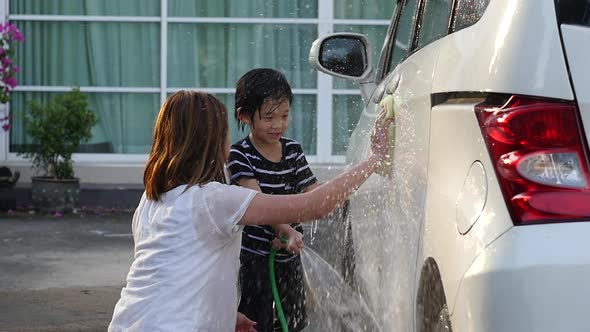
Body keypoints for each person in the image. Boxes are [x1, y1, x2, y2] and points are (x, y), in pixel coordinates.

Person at [108, 90, 392, 332]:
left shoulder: (151, 201)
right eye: (225, 134)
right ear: (211, 142)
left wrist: (226, 315)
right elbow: (314, 206)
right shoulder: (214, 201)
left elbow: (168, 272)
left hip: (128, 321)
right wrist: (374, 160)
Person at [228, 68, 319, 332]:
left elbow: (313, 191)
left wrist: (340, 194)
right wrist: (284, 228)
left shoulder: (292, 151)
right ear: (244, 115)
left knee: (294, 320)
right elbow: (257, 202)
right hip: (256, 258)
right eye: (269, 117)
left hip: (289, 254)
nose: (278, 124)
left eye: (284, 115)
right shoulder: (239, 155)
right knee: (257, 320)